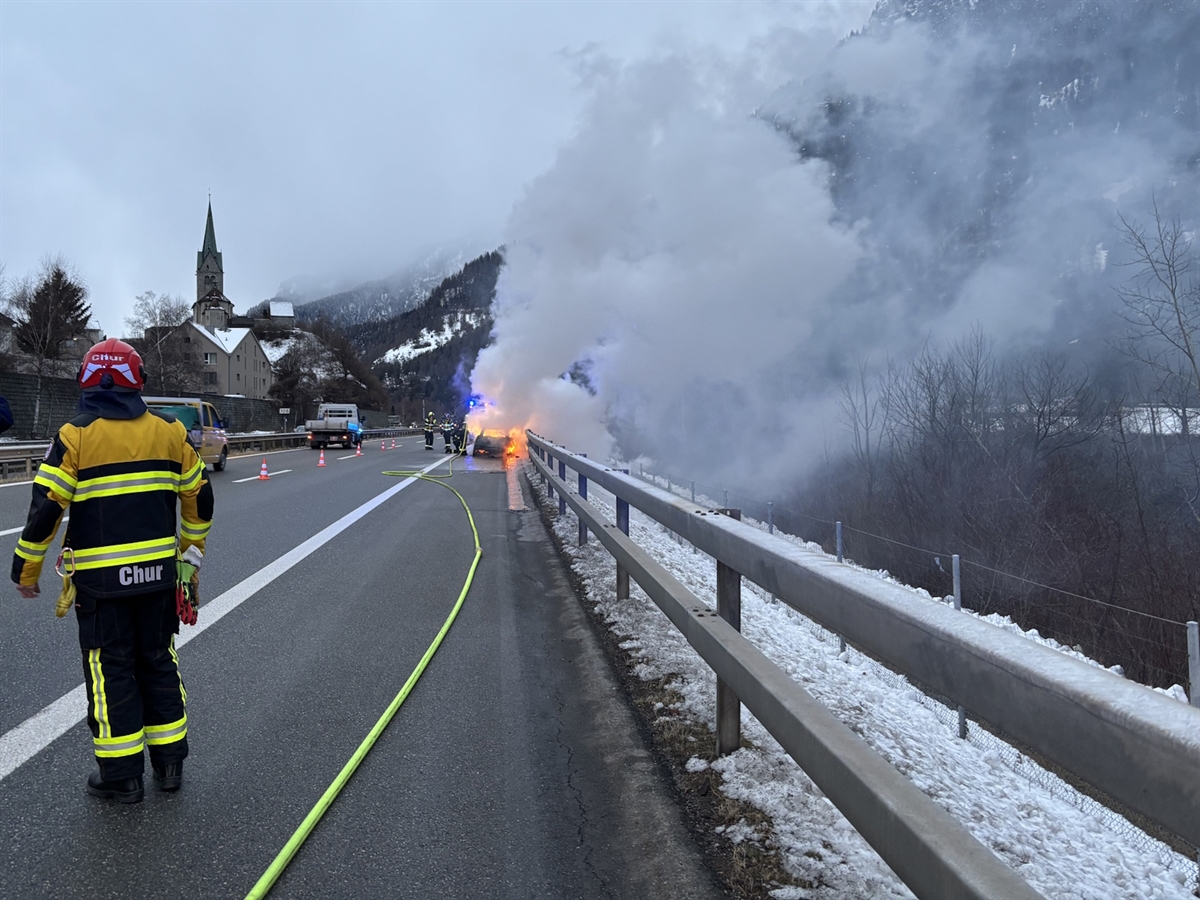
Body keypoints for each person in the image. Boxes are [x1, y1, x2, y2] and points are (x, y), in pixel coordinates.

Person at [11, 338, 213, 804]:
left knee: (110, 669)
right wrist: (190, 558)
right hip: (159, 578)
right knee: (158, 660)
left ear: (86, 381)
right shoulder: (170, 431)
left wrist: (26, 571)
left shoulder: (74, 436)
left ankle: (122, 777)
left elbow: (46, 509)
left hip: (103, 586)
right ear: (138, 381)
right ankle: (169, 766)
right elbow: (200, 497)